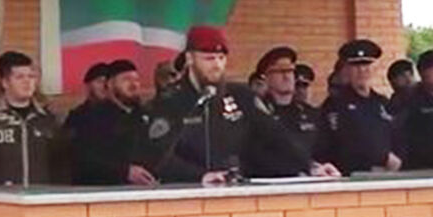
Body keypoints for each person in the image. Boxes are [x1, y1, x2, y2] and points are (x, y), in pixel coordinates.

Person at [133, 27, 336, 185]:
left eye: (221, 58)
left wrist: (310, 166)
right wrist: (199, 176)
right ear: (189, 58)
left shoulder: (240, 96)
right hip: (186, 198)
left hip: (233, 193)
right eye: (209, 59)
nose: (217, 65)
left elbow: (277, 138)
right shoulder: (170, 101)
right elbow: (158, 156)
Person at [0, 51, 67, 186]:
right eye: (19, 77)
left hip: (40, 195)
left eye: (31, 76)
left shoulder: (47, 119)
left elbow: (61, 162)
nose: (27, 82)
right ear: (5, 82)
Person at [314, 39, 401, 175]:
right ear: (347, 70)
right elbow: (345, 143)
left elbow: (396, 136)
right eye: (356, 65)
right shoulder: (335, 104)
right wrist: (383, 157)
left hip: (385, 176)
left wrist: (398, 158)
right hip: (351, 177)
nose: (361, 70)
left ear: (374, 68)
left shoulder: (382, 103)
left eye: (366, 65)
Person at [71, 59, 155, 186]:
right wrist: (124, 172)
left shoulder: (146, 116)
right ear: (110, 84)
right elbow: (84, 160)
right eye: (126, 79)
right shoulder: (91, 118)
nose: (134, 85)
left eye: (137, 80)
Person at [245, 46, 319, 177]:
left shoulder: (309, 113)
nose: (286, 76)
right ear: (266, 78)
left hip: (309, 180)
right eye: (279, 72)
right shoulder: (258, 114)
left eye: (290, 71)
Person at [64, 62, 110, 132]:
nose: (104, 86)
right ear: (88, 85)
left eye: (108, 82)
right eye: (99, 81)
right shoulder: (78, 115)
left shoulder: (120, 112)